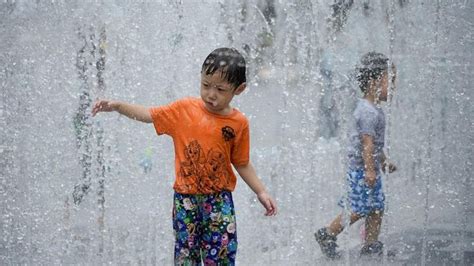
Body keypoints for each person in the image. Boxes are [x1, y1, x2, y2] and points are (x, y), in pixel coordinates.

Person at [92, 47, 277, 265]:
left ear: (239, 89)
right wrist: (118, 106)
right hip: (185, 200)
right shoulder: (184, 110)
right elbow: (149, 115)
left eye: (220, 89)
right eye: (206, 85)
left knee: (221, 254)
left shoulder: (238, 123)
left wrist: (261, 191)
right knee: (185, 255)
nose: (211, 94)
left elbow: (241, 162)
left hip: (219, 200)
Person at [315, 52, 397, 259]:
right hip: (362, 169)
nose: (394, 87)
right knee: (358, 209)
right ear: (374, 82)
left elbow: (375, 144)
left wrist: (384, 161)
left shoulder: (373, 109)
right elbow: (367, 145)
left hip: (368, 168)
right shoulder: (368, 112)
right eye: (391, 81)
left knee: (377, 208)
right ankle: (328, 233)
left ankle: (371, 243)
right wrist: (370, 169)